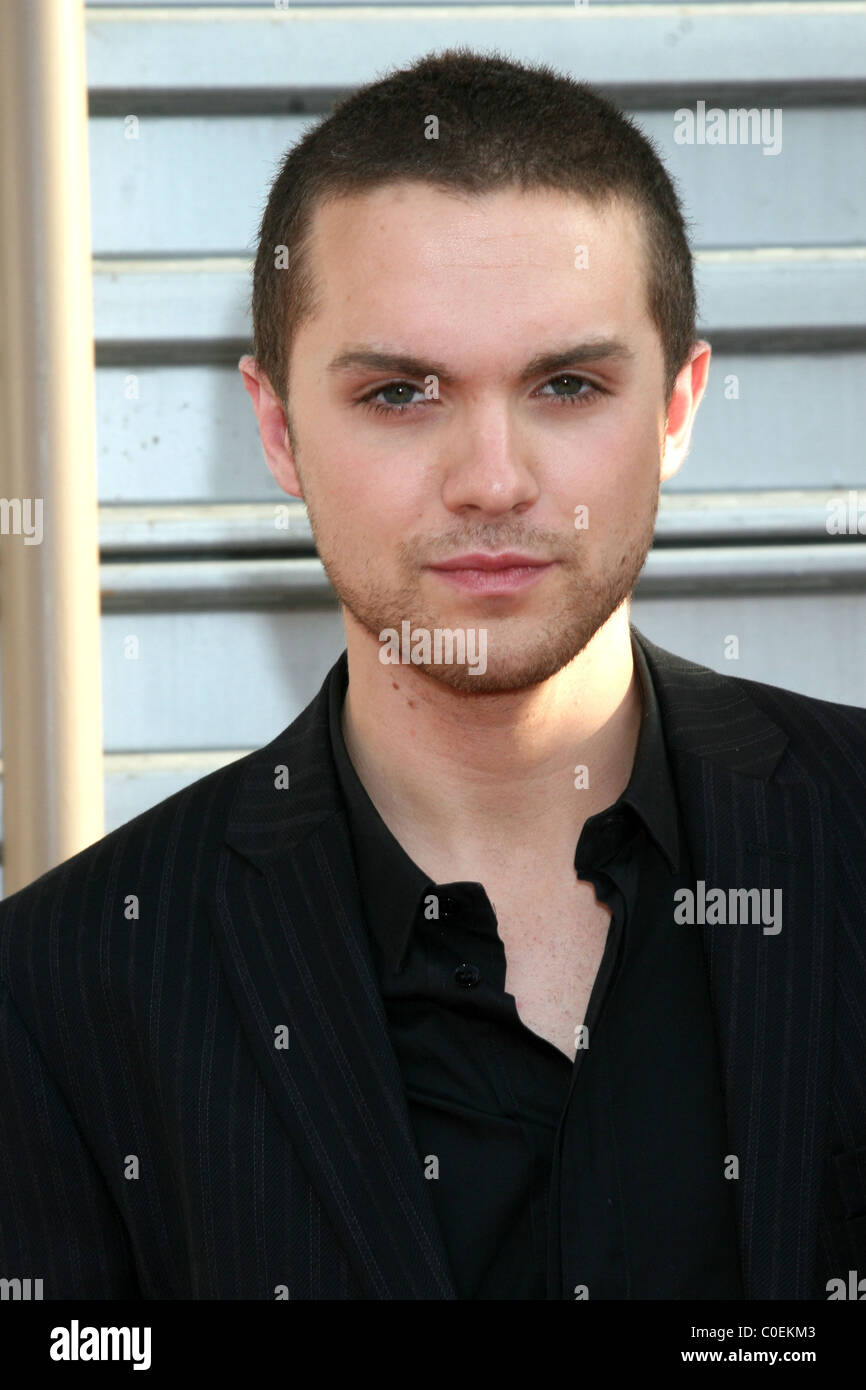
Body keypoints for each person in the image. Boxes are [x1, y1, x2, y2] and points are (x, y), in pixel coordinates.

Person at [1, 49, 864, 1302]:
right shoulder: (61, 993)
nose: (492, 479)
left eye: (567, 385)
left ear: (676, 406)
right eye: (401, 392)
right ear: (279, 428)